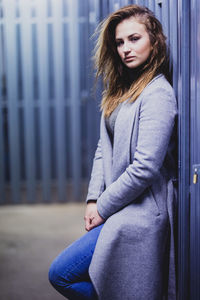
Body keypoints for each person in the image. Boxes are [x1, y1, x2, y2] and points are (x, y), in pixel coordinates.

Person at [49, 4, 178, 300]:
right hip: (121, 204)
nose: (125, 49)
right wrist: (93, 198)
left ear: (155, 40)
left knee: (61, 274)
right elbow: (101, 148)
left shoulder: (158, 94)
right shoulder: (122, 91)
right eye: (119, 42)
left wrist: (103, 206)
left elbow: (145, 168)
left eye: (134, 39)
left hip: (144, 209)